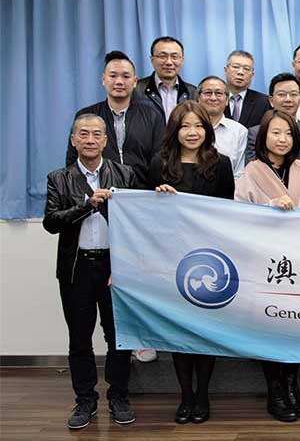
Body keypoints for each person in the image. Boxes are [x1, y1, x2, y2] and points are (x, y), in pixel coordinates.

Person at [44, 114, 138, 430]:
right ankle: (85, 401)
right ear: (73, 140)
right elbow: (51, 222)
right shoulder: (59, 178)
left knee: (119, 337)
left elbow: (136, 222)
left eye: (96, 134)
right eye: (83, 134)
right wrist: (88, 205)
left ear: (106, 140)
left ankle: (119, 397)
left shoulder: (124, 173)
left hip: (114, 267)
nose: (90, 140)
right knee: (80, 338)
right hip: (77, 268)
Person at [149, 100, 235, 424]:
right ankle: (185, 395)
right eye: (185, 126)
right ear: (175, 130)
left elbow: (228, 211)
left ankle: (202, 395)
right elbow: (146, 213)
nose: (192, 132)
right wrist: (158, 198)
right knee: (179, 332)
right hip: (171, 259)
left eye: (198, 126)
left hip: (209, 259)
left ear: (207, 130)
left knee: (204, 330)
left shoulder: (221, 164)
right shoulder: (159, 163)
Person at [235, 109, 300, 422]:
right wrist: (271, 207)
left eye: (287, 133)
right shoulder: (251, 171)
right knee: (270, 329)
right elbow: (239, 217)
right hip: (264, 264)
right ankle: (276, 391)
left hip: (298, 262)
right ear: (263, 137)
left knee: (295, 327)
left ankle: (293, 387)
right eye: (275, 132)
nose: (282, 139)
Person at [66, 50, 165, 189]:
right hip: (99, 194)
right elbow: (73, 161)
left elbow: (160, 158)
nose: (119, 82)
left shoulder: (152, 115)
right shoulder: (86, 116)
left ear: (135, 81)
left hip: (142, 194)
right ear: (103, 79)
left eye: (126, 76)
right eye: (113, 76)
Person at [246, 73, 300, 166]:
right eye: (281, 94)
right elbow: (252, 168)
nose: (288, 99)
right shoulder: (256, 133)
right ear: (271, 101)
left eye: (293, 94)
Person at [132, 36, 197, 122]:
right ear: (152, 60)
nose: (169, 62)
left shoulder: (193, 92)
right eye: (163, 56)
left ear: (182, 60)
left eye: (174, 57)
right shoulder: (136, 90)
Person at [197, 76, 248, 178]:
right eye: (208, 93)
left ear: (227, 100)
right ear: (198, 99)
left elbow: (239, 173)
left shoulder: (239, 131)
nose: (213, 98)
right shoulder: (188, 129)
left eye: (218, 93)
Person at [223, 50, 272, 128]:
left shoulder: (264, 102)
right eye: (236, 67)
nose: (240, 72)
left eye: (246, 69)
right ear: (225, 70)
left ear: (252, 74)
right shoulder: (214, 98)